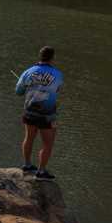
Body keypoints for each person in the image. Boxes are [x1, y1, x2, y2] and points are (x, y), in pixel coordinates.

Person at [15, 46, 63, 180]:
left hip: (30, 111)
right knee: (48, 143)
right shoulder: (58, 74)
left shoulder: (28, 72)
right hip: (47, 115)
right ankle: (41, 172)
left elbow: (18, 92)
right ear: (53, 58)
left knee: (29, 137)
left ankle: (27, 164)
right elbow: (57, 90)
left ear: (40, 56)